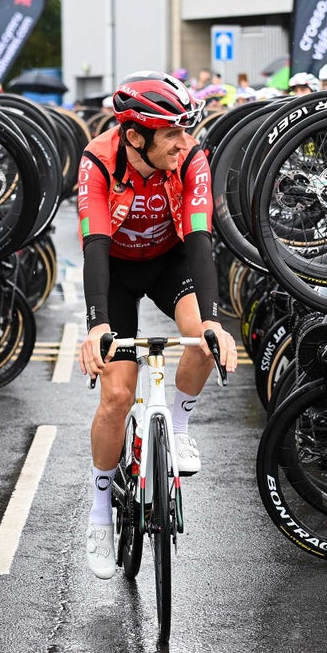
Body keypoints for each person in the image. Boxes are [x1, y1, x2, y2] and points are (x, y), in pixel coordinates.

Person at [75, 71, 238, 579]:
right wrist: (98, 324)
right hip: (117, 271)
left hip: (170, 263)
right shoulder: (99, 160)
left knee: (203, 340)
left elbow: (200, 241)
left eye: (185, 130)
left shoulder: (190, 157)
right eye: (172, 132)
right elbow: (95, 245)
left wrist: (212, 321)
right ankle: (101, 511)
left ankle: (180, 427)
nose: (183, 141)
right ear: (134, 136)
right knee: (118, 398)